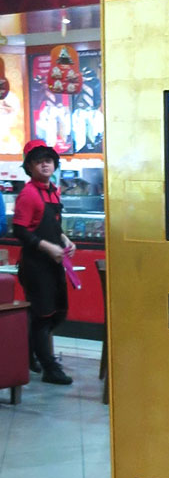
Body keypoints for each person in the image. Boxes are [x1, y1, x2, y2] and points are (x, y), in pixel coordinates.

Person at [12, 139, 75, 385]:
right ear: (29, 167)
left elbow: (54, 225)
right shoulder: (28, 194)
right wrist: (48, 247)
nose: (44, 165)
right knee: (43, 316)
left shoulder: (53, 191)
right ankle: (49, 368)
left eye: (48, 160)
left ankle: (29, 354)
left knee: (58, 313)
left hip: (54, 263)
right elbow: (20, 231)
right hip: (36, 267)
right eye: (38, 162)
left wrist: (65, 240)